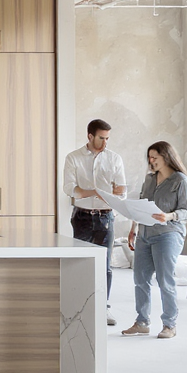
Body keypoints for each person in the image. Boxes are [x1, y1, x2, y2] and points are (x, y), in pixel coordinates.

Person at [122, 141, 187, 339]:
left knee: (165, 280)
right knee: (140, 279)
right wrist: (133, 228)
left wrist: (169, 216)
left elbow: (186, 211)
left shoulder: (181, 181)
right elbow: (140, 205)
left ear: (166, 157)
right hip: (145, 235)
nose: (151, 161)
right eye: (149, 157)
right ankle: (142, 322)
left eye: (155, 157)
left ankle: (170, 325)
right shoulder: (149, 179)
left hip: (168, 234)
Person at [63, 119, 127, 326]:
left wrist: (111, 193)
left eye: (108, 138)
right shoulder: (73, 158)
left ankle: (103, 307)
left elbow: (122, 191)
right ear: (90, 136)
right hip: (81, 217)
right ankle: (78, 306)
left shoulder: (115, 159)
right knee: (79, 263)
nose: (105, 142)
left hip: (105, 217)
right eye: (101, 138)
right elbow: (71, 189)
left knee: (105, 265)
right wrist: (99, 192)